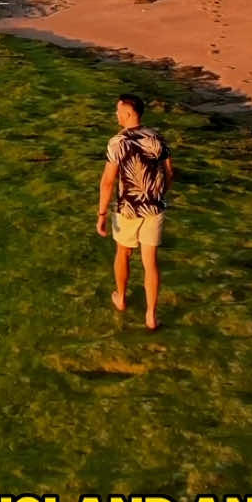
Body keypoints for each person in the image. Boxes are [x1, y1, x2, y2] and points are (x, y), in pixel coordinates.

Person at [96, 93, 173, 331]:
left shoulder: (117, 142)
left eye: (118, 111)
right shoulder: (156, 138)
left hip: (128, 209)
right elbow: (169, 172)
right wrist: (159, 195)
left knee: (124, 253)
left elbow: (108, 181)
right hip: (153, 207)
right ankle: (151, 315)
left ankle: (121, 297)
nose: (116, 115)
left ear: (128, 113)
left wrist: (101, 215)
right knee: (150, 263)